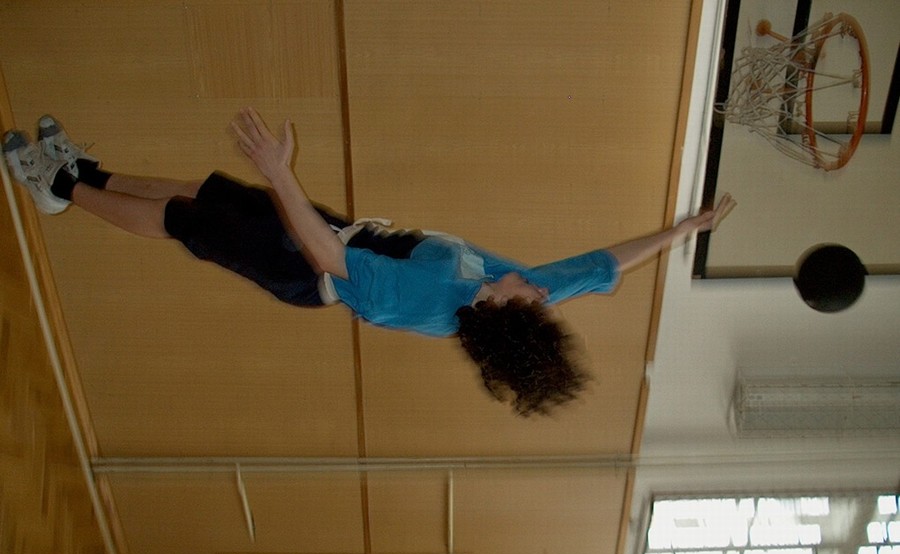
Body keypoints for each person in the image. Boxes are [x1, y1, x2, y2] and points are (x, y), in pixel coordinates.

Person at [3, 109, 735, 415]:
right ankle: (84, 169)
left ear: (505, 314)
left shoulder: (422, 299)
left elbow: (324, 255)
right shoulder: (510, 290)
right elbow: (603, 265)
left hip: (306, 264)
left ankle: (57, 188)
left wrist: (279, 172)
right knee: (203, 191)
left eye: (533, 302)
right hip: (334, 234)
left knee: (180, 220)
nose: (541, 292)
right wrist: (681, 230)